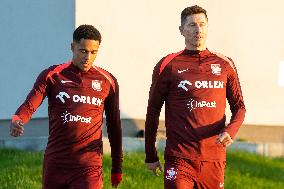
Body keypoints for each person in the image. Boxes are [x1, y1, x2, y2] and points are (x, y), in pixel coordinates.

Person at [145, 5, 246, 189]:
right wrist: (150, 154)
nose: (198, 30)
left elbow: (239, 107)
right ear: (182, 30)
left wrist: (230, 131)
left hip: (213, 158)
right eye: (192, 25)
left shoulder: (225, 64)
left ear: (207, 27)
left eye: (202, 24)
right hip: (179, 157)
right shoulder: (168, 64)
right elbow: (153, 110)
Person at [10, 25, 123, 189]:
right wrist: (17, 119)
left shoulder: (108, 81)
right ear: (72, 47)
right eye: (83, 51)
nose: (88, 58)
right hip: (56, 164)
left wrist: (117, 167)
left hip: (88, 165)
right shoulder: (53, 75)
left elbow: (114, 126)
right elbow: (30, 105)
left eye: (94, 52)